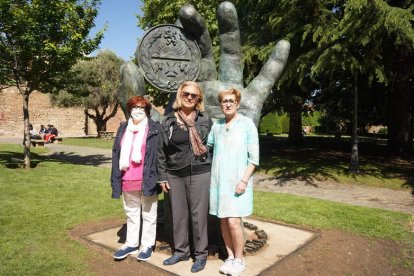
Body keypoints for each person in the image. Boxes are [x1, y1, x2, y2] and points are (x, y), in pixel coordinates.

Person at [157, 81, 212, 273]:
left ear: (199, 99)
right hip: (174, 174)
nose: (189, 97)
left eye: (194, 95)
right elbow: (161, 152)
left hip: (199, 171)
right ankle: (181, 251)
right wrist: (162, 176)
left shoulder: (205, 120)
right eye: (186, 94)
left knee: (198, 216)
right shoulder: (168, 121)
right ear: (180, 95)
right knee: (178, 215)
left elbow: (212, 145)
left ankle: (201, 255)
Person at [207, 88, 259, 276]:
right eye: (224, 101)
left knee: (234, 223)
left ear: (237, 103)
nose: (227, 104)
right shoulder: (217, 126)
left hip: (238, 182)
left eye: (231, 101)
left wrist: (244, 180)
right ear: (220, 104)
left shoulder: (247, 125)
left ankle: (239, 260)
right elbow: (208, 146)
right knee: (223, 221)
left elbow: (254, 158)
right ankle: (229, 257)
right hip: (219, 183)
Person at [110, 96, 161, 261]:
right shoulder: (123, 128)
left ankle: (146, 246)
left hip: (147, 177)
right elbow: (116, 153)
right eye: (134, 107)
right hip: (127, 177)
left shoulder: (154, 128)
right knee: (131, 213)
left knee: (149, 213)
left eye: (142, 107)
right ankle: (131, 243)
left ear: (147, 110)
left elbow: (160, 154)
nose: (138, 110)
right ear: (129, 109)